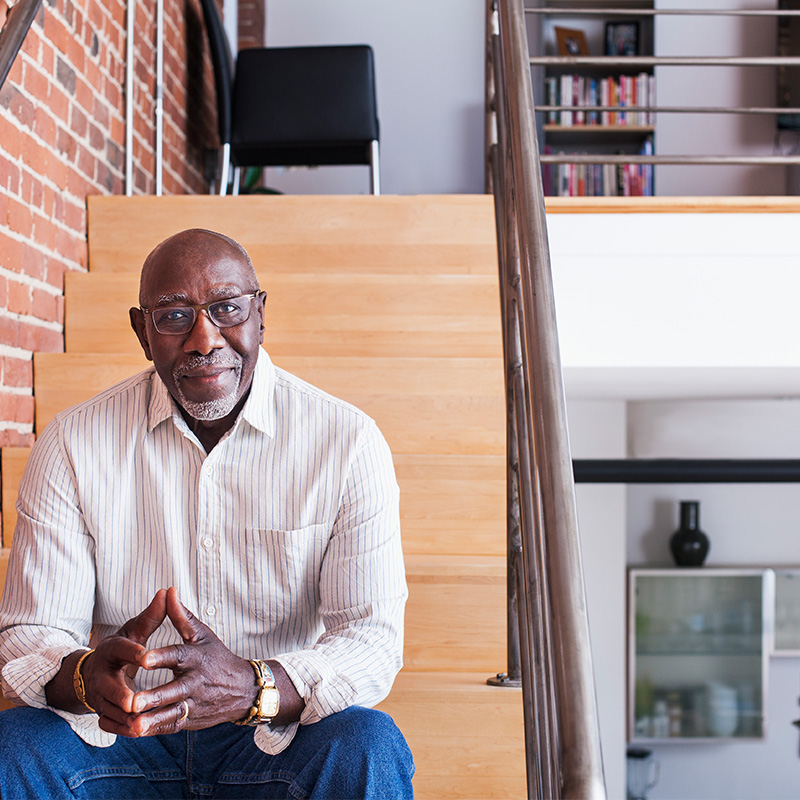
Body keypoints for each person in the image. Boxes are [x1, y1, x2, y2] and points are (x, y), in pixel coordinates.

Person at [0, 228, 414, 798]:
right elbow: (32, 631)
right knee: (15, 746)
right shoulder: (73, 444)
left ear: (260, 315)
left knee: (368, 742)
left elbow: (371, 640)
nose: (204, 338)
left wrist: (252, 686)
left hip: (275, 738)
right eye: (173, 316)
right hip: (121, 737)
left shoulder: (345, 443)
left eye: (226, 309)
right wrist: (84, 675)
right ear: (142, 332)